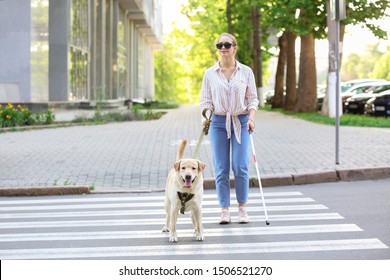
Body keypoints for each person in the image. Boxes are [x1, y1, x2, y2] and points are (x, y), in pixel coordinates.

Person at [200, 33, 259, 224]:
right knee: (221, 168)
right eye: (219, 45)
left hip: (241, 121)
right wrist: (206, 115)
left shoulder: (246, 72)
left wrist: (251, 118)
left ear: (235, 48)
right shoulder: (210, 73)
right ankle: (224, 209)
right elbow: (206, 100)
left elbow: (252, 99)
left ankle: (242, 208)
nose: (223, 48)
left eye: (227, 44)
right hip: (218, 123)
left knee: (240, 166)